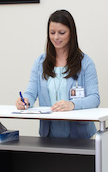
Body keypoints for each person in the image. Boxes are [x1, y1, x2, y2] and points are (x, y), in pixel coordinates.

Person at [16, 10, 100, 139]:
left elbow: (94, 98)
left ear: (72, 33)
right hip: (49, 135)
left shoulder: (85, 63)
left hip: (79, 136)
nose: (56, 37)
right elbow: (31, 93)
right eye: (52, 33)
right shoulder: (40, 62)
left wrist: (72, 105)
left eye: (62, 33)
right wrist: (25, 101)